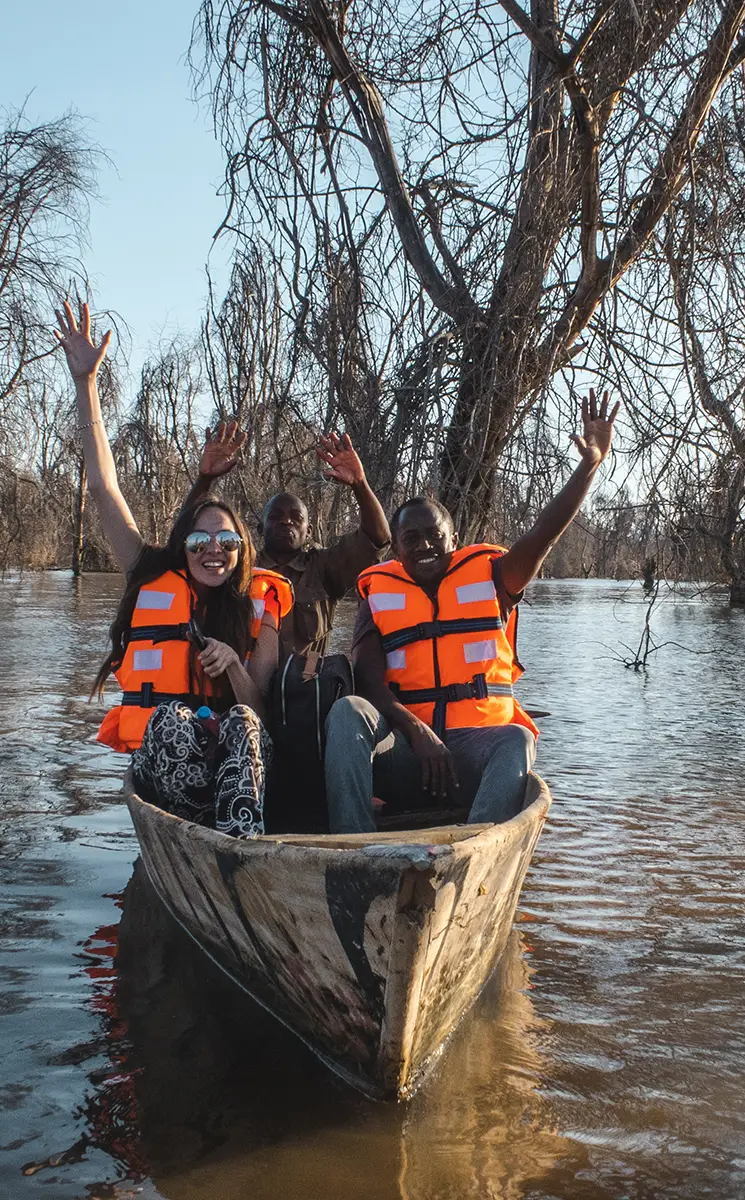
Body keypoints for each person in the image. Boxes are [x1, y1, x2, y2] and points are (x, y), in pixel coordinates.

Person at [325, 390, 620, 833]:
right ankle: (353, 849)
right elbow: (369, 681)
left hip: (473, 761)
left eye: (434, 535)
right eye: (411, 538)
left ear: (454, 538)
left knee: (518, 738)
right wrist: (417, 732)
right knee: (348, 710)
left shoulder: (494, 577)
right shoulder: (378, 593)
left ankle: (474, 849)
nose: (423, 545)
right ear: (398, 548)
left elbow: (544, 533)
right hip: (407, 755)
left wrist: (589, 466)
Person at [56, 297, 291, 838]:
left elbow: (258, 705)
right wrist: (86, 385)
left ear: (241, 550)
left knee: (243, 720)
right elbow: (102, 486)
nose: (214, 548)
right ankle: (199, 840)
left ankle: (240, 845)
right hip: (171, 769)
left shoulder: (261, 605)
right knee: (170, 719)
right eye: (201, 539)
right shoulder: (149, 573)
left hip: (235, 775)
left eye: (227, 539)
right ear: (183, 547)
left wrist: (233, 663)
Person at [183, 421, 391, 662]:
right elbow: (186, 539)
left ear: (308, 530)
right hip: (241, 685)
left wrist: (359, 483)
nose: (286, 522)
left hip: (305, 691)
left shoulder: (325, 568)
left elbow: (377, 539)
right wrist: (204, 480)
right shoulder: (237, 566)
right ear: (260, 529)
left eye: (296, 518)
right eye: (275, 517)